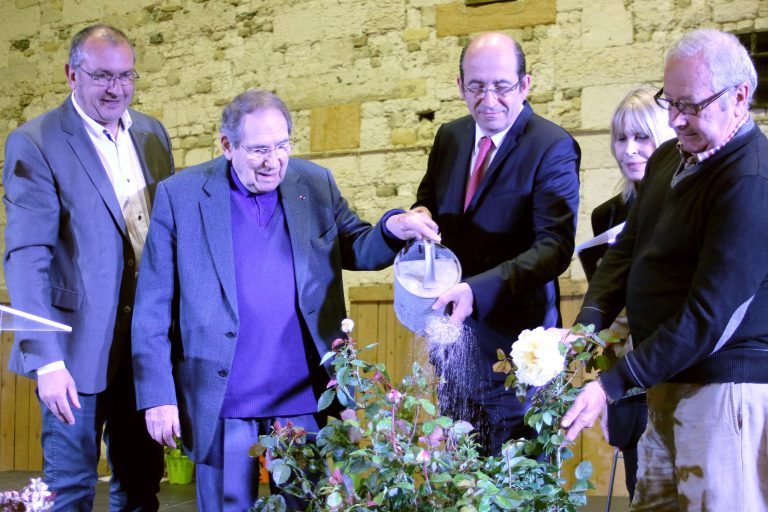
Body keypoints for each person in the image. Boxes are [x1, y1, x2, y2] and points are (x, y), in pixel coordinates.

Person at [131, 89, 439, 511]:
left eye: (282, 146)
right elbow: (152, 305)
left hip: (301, 395)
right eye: (258, 149)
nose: (273, 160)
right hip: (224, 397)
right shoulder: (181, 196)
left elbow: (355, 245)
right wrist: (158, 396)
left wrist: (393, 227)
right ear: (226, 145)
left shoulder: (313, 184)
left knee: (302, 505)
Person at [561, 29, 768, 511]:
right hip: (667, 384)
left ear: (739, 97)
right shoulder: (669, 158)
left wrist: (611, 384)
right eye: (669, 101)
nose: (674, 119)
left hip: (724, 393)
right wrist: (585, 329)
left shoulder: (750, 180)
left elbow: (708, 318)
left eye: (690, 105)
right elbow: (627, 250)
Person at [3, 24, 174, 510]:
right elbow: (26, 256)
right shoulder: (35, 142)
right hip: (72, 351)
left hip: (143, 348)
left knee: (142, 488)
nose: (115, 88)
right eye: (101, 75)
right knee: (72, 489)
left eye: (126, 76)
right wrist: (47, 360)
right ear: (71, 74)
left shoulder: (152, 134)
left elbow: (161, 239)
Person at [413, 32, 580, 455]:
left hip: (517, 354)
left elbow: (554, 248)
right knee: (461, 482)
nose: (489, 99)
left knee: (517, 481)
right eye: (476, 86)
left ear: (525, 85)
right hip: (454, 345)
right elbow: (429, 201)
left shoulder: (552, 146)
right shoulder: (449, 137)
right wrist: (420, 216)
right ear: (459, 85)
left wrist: (476, 289)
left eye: (502, 86)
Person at [591, 86, 675, 500]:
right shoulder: (605, 214)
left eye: (642, 137)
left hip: (674, 359)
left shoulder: (684, 204)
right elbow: (604, 295)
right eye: (621, 138)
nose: (630, 149)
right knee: (639, 485)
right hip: (624, 364)